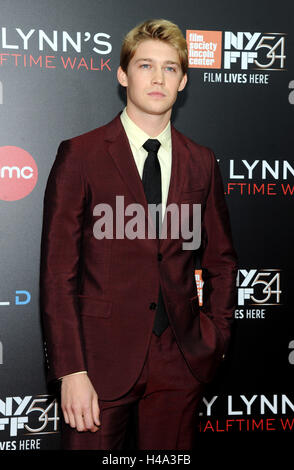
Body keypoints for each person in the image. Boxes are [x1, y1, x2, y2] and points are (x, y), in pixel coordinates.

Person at [40, 18, 238, 450]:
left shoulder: (202, 161)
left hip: (180, 360)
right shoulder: (81, 155)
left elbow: (221, 261)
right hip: (97, 363)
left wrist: (215, 335)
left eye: (170, 68)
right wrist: (71, 371)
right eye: (146, 65)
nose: (157, 77)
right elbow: (58, 275)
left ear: (183, 81)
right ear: (123, 74)